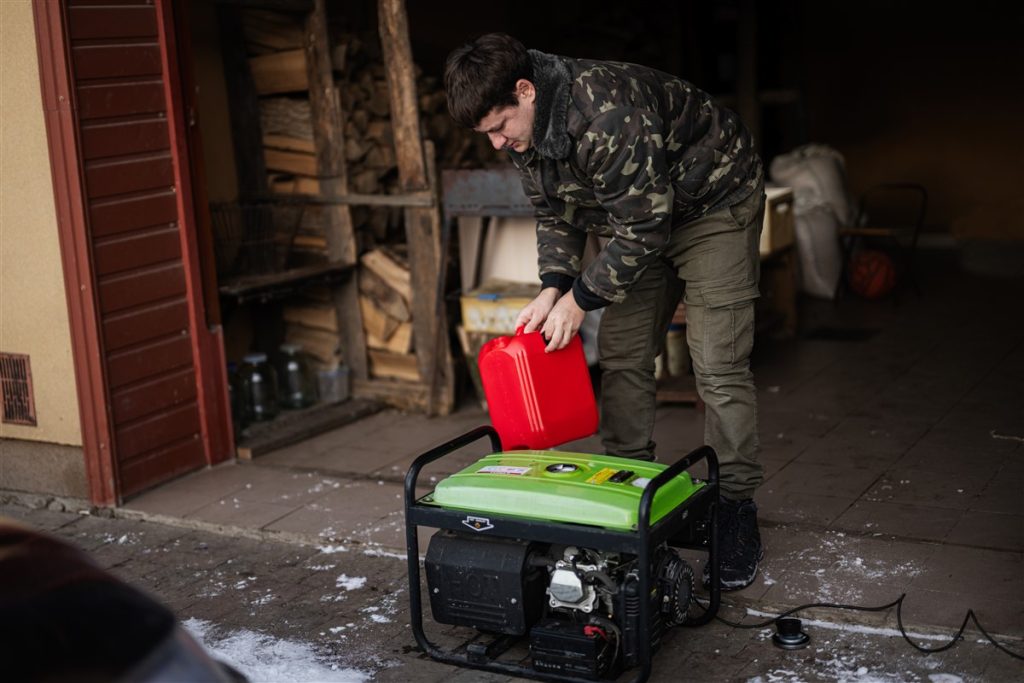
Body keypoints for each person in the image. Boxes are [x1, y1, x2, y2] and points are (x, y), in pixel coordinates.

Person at [444, 33, 766, 590]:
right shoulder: (527, 132)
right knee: (622, 353)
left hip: (712, 204)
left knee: (716, 364)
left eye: (500, 127)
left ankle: (734, 507)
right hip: (636, 223)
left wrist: (581, 298)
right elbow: (555, 213)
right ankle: (629, 487)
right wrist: (553, 285)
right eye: (487, 134)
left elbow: (646, 226)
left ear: (525, 91)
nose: (497, 143)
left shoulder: (606, 113)